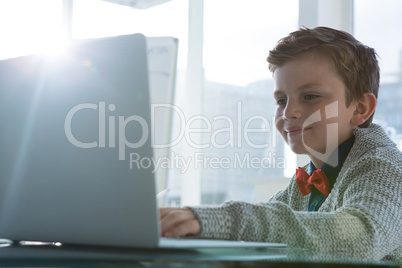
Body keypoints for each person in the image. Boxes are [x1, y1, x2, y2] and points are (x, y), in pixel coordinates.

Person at [160, 27, 402, 263]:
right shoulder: (305, 184)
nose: (289, 112)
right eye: (281, 100)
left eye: (310, 96)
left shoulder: (385, 168)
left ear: (360, 108)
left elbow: (360, 238)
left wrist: (222, 220)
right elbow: (266, 234)